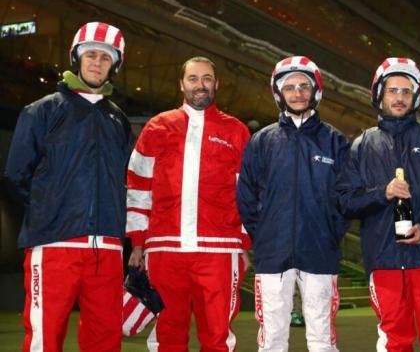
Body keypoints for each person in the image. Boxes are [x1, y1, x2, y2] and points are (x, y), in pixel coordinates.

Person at [4, 21, 131, 352]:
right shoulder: (42, 110)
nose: (96, 63)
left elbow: (125, 180)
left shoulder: (118, 119)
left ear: (114, 65)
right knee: (46, 336)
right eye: (90, 55)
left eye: (105, 58)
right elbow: (16, 175)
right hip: (54, 243)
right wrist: (49, 213)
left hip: (107, 247)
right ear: (77, 58)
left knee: (105, 338)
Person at [336, 57, 420, 352]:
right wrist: (382, 193)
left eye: (406, 91)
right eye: (392, 90)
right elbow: (345, 201)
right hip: (384, 259)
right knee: (394, 340)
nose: (399, 97)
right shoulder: (362, 145)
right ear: (380, 95)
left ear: (416, 96)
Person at [126, 56, 251, 351]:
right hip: (165, 248)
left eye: (207, 79)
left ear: (216, 84)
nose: (200, 85)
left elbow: (248, 193)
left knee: (217, 335)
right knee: (168, 332)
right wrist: (138, 242)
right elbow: (138, 186)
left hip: (220, 250)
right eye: (193, 79)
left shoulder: (236, 131)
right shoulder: (158, 126)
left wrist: (243, 243)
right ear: (181, 84)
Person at [237, 56, 349, 352]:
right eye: (290, 88)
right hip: (273, 254)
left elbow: (346, 197)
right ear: (279, 94)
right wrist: (263, 236)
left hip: (319, 252)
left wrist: (329, 233)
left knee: (322, 338)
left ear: (315, 92)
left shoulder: (335, 141)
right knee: (272, 338)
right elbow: (246, 196)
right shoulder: (261, 141)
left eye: (303, 86)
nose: (297, 93)